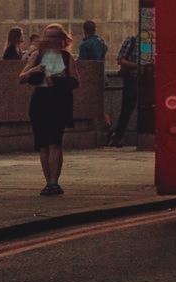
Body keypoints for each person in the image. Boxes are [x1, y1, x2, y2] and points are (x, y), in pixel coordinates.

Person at [20, 24, 78, 195]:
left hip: (59, 101)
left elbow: (76, 81)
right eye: (48, 36)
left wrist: (59, 81)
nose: (51, 40)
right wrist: (35, 70)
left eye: (54, 36)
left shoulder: (67, 57)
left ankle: (54, 182)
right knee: (43, 146)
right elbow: (22, 77)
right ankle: (48, 182)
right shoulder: (38, 56)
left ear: (61, 40)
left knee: (55, 143)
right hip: (40, 100)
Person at [107, 32, 143, 147]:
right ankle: (117, 136)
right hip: (132, 79)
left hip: (143, 80)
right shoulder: (131, 41)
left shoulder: (146, 44)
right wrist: (136, 65)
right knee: (126, 110)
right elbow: (120, 60)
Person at [77, 19, 110, 134]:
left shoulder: (85, 45)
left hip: (90, 79)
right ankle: (107, 129)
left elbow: (83, 64)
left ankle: (108, 129)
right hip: (102, 77)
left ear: (84, 30)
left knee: (96, 107)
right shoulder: (102, 42)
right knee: (98, 105)